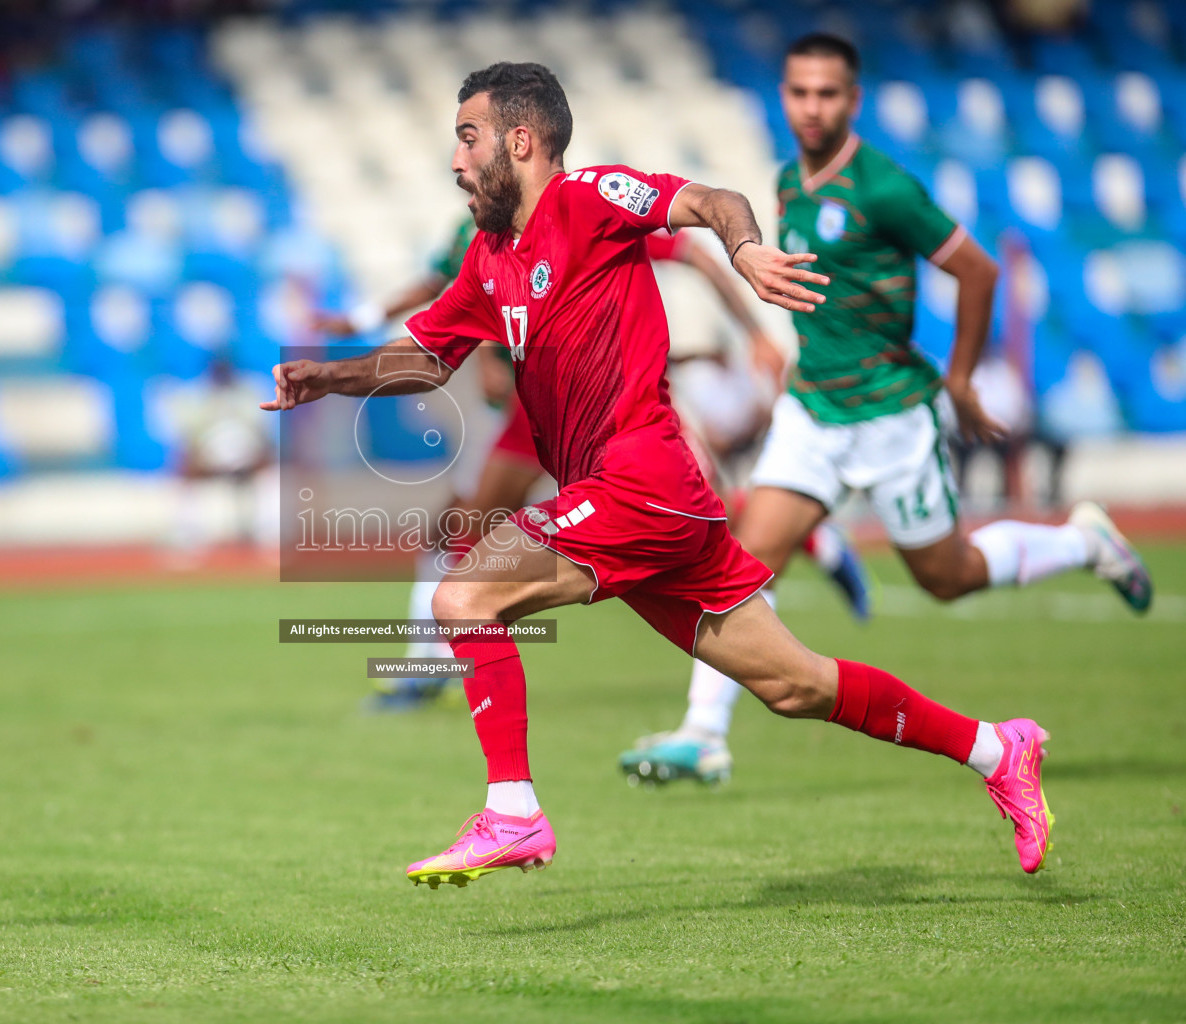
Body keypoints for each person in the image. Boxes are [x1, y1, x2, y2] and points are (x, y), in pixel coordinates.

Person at [263, 61, 1063, 884]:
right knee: (794, 686)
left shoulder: (589, 199)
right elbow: (425, 358)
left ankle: (513, 813)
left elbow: (713, 203)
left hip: (638, 482)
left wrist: (746, 251)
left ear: (521, 140)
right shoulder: (491, 257)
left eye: (468, 139)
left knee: (466, 594)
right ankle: (998, 749)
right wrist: (330, 376)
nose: (458, 160)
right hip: (643, 505)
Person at [620, 34, 1153, 787]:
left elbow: (977, 268)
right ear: (784, 96)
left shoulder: (883, 188)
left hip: (892, 416)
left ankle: (1083, 542)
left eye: (827, 94)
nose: (812, 107)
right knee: (738, 565)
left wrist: (962, 380)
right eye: (799, 92)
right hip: (812, 412)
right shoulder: (786, 181)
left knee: (947, 575)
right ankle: (704, 732)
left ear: (853, 100)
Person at [321, 219, 872, 715]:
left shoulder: (584, 224)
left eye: (472, 141)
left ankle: (815, 540)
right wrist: (362, 320)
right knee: (459, 525)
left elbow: (695, 251)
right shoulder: (475, 235)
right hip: (531, 414)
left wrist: (753, 333)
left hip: (606, 414)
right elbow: (437, 290)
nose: (463, 166)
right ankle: (429, 670)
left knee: (689, 513)